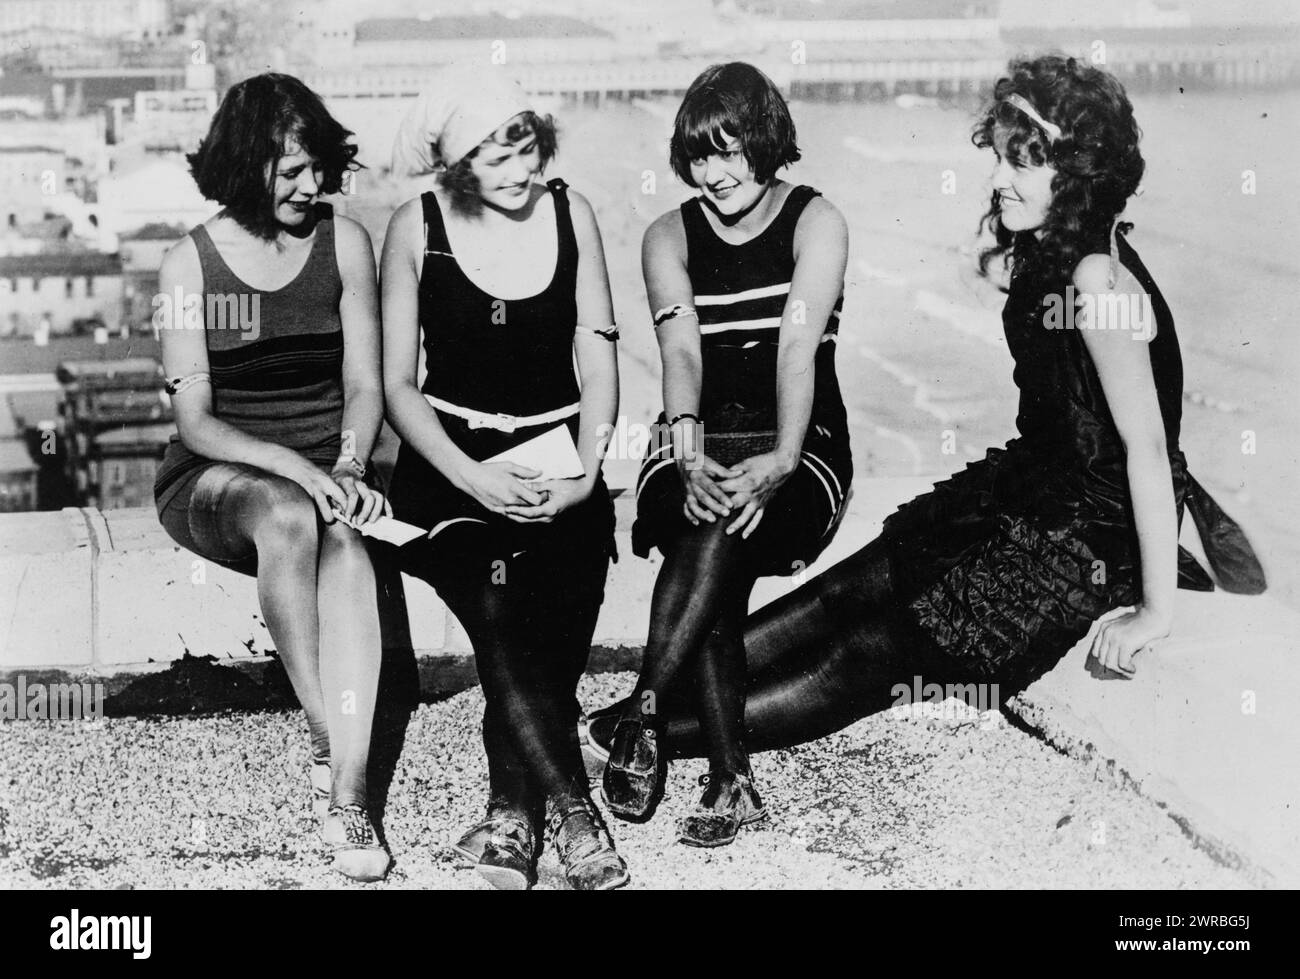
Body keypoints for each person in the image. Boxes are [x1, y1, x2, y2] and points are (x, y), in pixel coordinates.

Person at [587, 56, 1264, 774]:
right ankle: (643, 711)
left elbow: (1149, 449)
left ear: (1081, 174)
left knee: (864, 654)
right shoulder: (1050, 252)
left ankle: (640, 731)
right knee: (844, 591)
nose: (999, 178)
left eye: (1024, 164)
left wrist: (1154, 609)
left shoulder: (1097, 281)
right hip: (1022, 493)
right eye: (1001, 157)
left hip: (1077, 543)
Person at [382, 68, 628, 890]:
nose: (519, 170)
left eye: (524, 146)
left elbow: (597, 353)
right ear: (455, 167)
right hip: (449, 473)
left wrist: (590, 472)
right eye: (494, 157)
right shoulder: (415, 229)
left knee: (553, 633)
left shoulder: (572, 213)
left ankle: (508, 814)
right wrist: (473, 480)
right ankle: (574, 812)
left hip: (560, 463)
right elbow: (396, 388)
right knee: (497, 609)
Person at [598, 62, 853, 847]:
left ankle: (646, 704)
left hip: (799, 440)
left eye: (732, 150)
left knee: (719, 537)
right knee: (709, 533)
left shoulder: (816, 221)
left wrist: (778, 458)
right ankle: (727, 776)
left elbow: (796, 349)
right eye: (700, 155)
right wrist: (683, 451)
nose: (715, 173)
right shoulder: (667, 235)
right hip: (694, 437)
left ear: (767, 141)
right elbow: (681, 356)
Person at [153, 73, 391, 882]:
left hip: (330, 465)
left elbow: (365, 386)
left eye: (318, 165)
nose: (311, 184)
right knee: (289, 516)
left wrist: (351, 462)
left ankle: (350, 794)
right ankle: (328, 729)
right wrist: (301, 466)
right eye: (289, 168)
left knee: (350, 550)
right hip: (221, 479)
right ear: (242, 163)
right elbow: (197, 421)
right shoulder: (186, 265)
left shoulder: (344, 242)